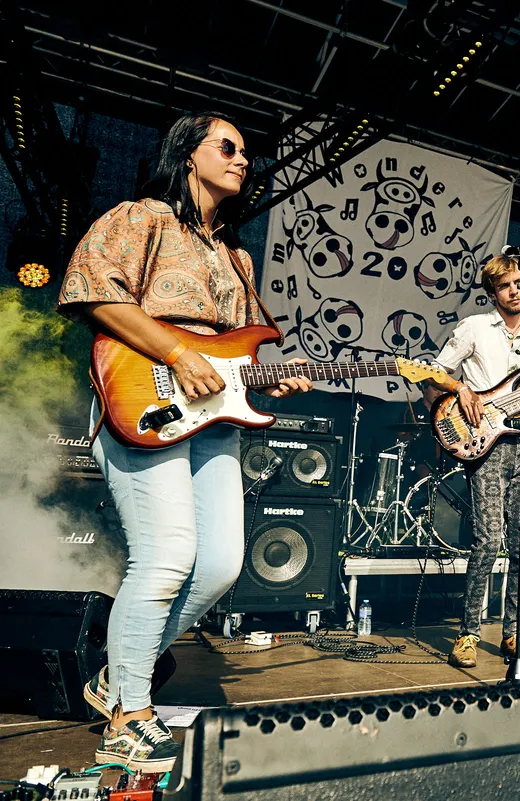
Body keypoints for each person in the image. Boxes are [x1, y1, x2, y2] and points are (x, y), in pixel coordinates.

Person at [56, 112, 313, 771]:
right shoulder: (140, 218)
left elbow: (238, 355)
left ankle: (120, 673)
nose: (242, 159)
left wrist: (273, 380)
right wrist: (175, 351)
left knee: (221, 564)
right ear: (187, 154)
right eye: (228, 147)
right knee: (167, 555)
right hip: (145, 398)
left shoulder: (238, 259)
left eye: (246, 152)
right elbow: (90, 293)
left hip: (213, 419)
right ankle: (128, 716)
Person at [424, 254, 520, 669]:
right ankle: (468, 634)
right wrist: (461, 389)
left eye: (519, 284)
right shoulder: (475, 327)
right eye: (506, 285)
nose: (515, 291)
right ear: (493, 292)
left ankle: (514, 633)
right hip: (484, 441)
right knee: (488, 540)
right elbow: (434, 372)